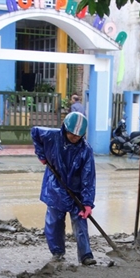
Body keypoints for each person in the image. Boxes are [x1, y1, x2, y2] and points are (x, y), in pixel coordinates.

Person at [32, 111, 97, 266]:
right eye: (71, 135)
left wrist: (87, 202)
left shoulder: (85, 150)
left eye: (78, 136)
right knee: (54, 222)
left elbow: (88, 177)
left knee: (80, 222)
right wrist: (41, 155)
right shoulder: (51, 136)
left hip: (76, 192)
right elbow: (35, 132)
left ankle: (85, 255)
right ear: (65, 129)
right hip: (56, 186)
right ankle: (57, 252)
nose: (74, 138)